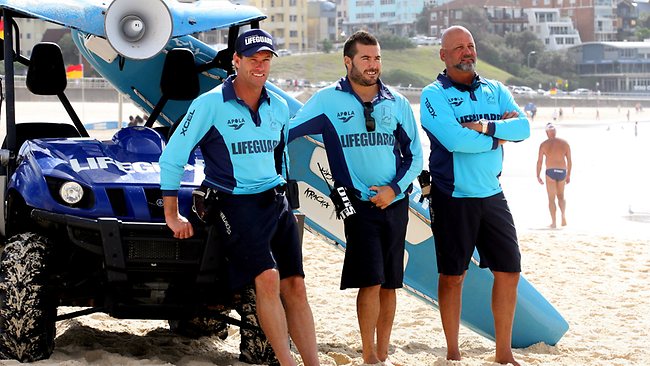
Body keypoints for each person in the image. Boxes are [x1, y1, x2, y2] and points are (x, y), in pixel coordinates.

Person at [159, 28, 320, 366]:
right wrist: (172, 215)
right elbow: (172, 157)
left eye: (266, 59)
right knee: (268, 277)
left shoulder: (277, 104)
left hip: (275, 202)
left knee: (296, 286)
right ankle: (286, 363)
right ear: (236, 61)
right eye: (252, 59)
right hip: (234, 203)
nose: (260, 66)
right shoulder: (210, 104)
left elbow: (280, 157)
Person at [289, 30, 423, 366]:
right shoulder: (327, 100)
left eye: (377, 58)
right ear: (348, 61)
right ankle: (368, 355)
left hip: (394, 201)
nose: (373, 64)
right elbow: (286, 132)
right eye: (365, 58)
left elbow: (415, 157)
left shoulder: (397, 103)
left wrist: (394, 189)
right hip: (354, 202)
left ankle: (382, 352)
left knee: (391, 281)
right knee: (371, 278)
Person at [419, 25, 530, 365]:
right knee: (453, 276)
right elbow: (454, 140)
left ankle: (503, 352)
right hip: (452, 195)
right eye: (458, 48)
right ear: (443, 55)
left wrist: (485, 127)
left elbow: (523, 128)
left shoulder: (495, 90)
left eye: (470, 45)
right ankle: (453, 351)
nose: (467, 52)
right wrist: (499, 135)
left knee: (509, 271)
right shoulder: (433, 94)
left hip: (492, 193)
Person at [536, 123, 572, 228]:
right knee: (561, 196)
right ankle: (563, 217)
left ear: (547, 132)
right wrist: (568, 174)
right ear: (555, 132)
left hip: (550, 172)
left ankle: (554, 222)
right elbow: (569, 161)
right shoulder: (565, 143)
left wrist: (538, 175)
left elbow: (539, 162)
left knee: (551, 198)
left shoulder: (544, 144)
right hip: (562, 171)